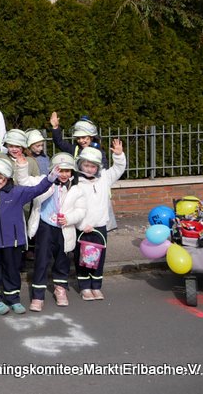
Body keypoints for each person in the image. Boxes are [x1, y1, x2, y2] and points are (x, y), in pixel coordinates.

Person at [0, 158, 57, 315]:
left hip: (13, 242)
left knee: (12, 271)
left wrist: (50, 178)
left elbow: (37, 189)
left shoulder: (18, 192)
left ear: (7, 177)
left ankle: (13, 299)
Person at [19, 153, 86, 311]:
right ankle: (38, 295)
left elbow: (81, 210)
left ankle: (60, 289)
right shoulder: (44, 180)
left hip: (65, 228)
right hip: (45, 226)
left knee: (62, 259)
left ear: (72, 172)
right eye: (60, 170)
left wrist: (69, 218)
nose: (63, 174)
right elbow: (24, 181)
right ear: (52, 170)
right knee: (41, 260)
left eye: (67, 171)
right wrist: (22, 166)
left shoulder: (77, 189)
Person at [69, 140, 126, 301]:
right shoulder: (75, 182)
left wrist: (119, 155)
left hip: (99, 227)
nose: (89, 169)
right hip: (83, 228)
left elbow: (118, 168)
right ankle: (85, 287)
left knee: (98, 258)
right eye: (86, 165)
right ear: (80, 165)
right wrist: (81, 225)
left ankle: (96, 286)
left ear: (98, 167)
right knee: (82, 259)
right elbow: (71, 206)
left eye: (93, 166)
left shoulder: (104, 178)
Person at [49, 113, 117, 230]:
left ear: (91, 137)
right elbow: (59, 142)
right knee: (80, 215)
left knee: (97, 219)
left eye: (84, 137)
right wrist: (55, 128)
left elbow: (103, 172)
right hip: (80, 188)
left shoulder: (99, 151)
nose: (81, 140)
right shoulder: (75, 149)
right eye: (79, 138)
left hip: (95, 191)